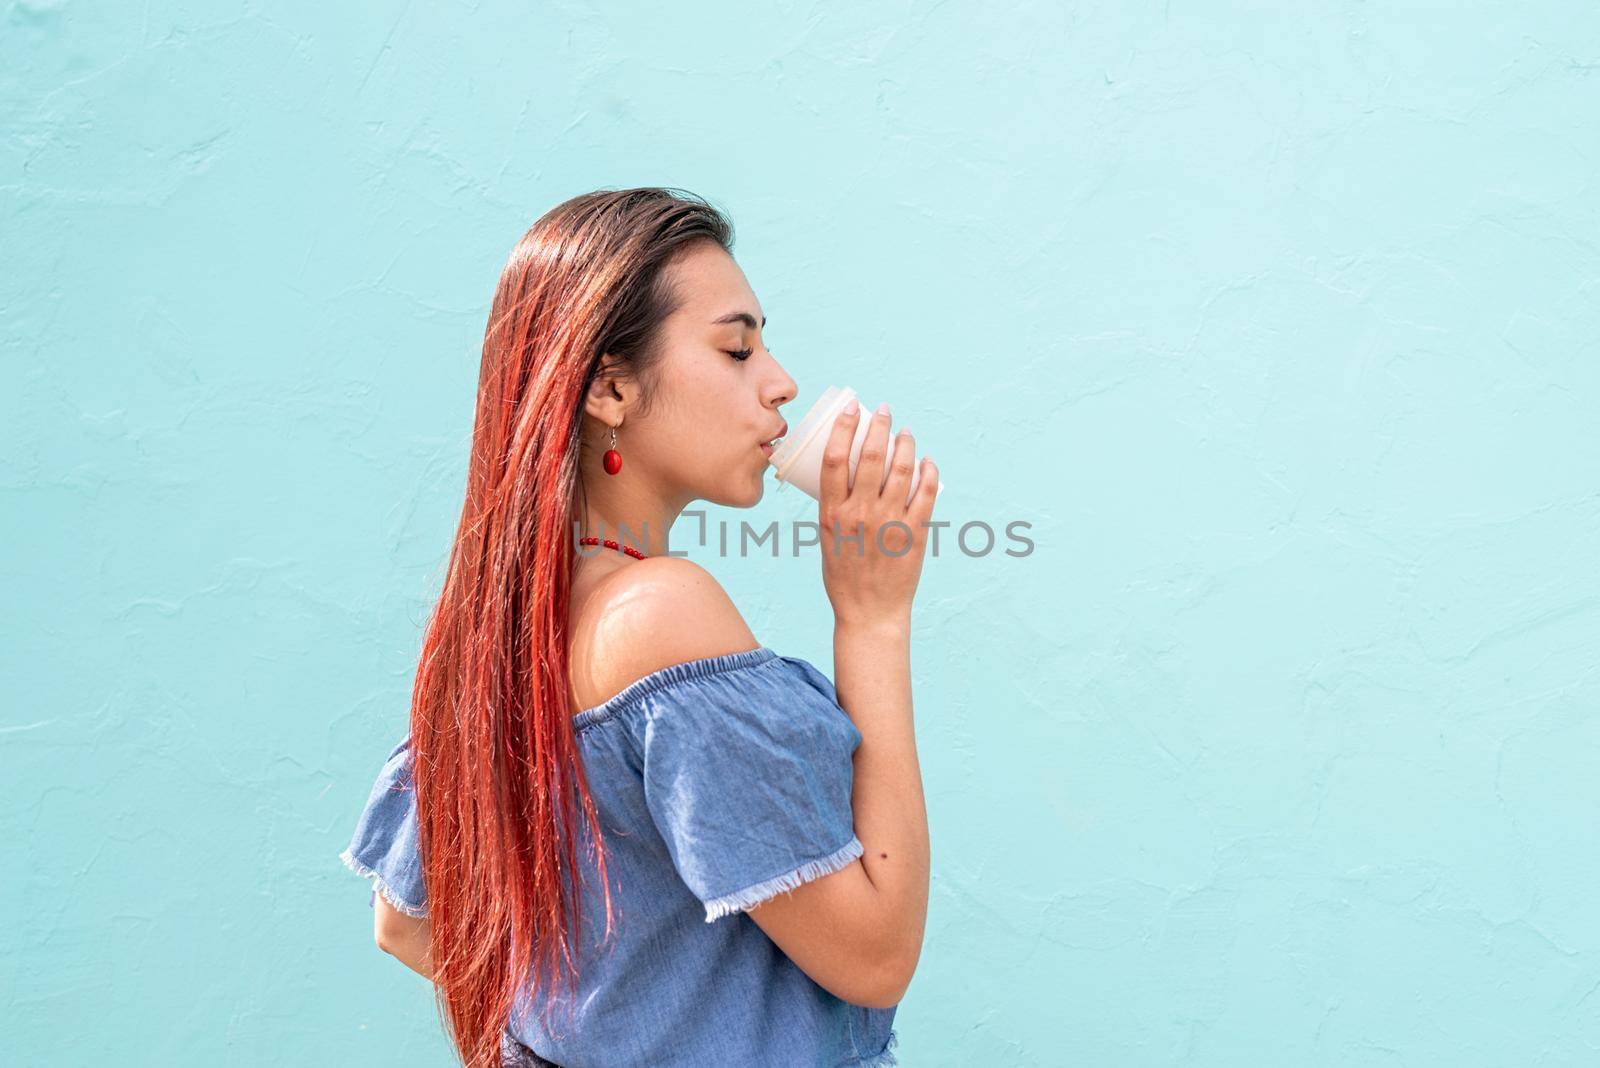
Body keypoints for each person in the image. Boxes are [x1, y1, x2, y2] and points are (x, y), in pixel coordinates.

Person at [338, 187, 938, 1068]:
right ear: (611, 388)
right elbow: (878, 956)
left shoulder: (505, 635)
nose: (780, 382)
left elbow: (409, 926)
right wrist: (873, 617)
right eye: (737, 347)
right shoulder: (664, 614)